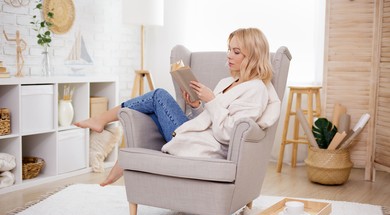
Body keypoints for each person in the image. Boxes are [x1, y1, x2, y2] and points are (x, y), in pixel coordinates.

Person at [75, 27, 280, 186]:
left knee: (158, 96)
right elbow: (207, 119)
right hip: (196, 132)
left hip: (205, 145)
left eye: (236, 51)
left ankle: (101, 121)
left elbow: (228, 133)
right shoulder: (227, 82)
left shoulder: (256, 90)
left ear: (253, 56)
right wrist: (197, 104)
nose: (229, 55)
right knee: (149, 115)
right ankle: (123, 159)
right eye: (229, 49)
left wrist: (212, 100)